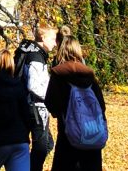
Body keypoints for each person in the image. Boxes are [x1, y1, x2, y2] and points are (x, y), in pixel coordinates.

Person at [44, 38, 105, 171]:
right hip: (91, 135)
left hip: (68, 136)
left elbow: (51, 103)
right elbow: (102, 105)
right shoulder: (89, 74)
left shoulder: (58, 74)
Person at [14, 25, 57, 171]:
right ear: (43, 38)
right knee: (41, 148)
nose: (55, 43)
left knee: (47, 144)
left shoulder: (29, 52)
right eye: (52, 39)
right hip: (36, 108)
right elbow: (34, 85)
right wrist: (51, 97)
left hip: (29, 106)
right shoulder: (36, 57)